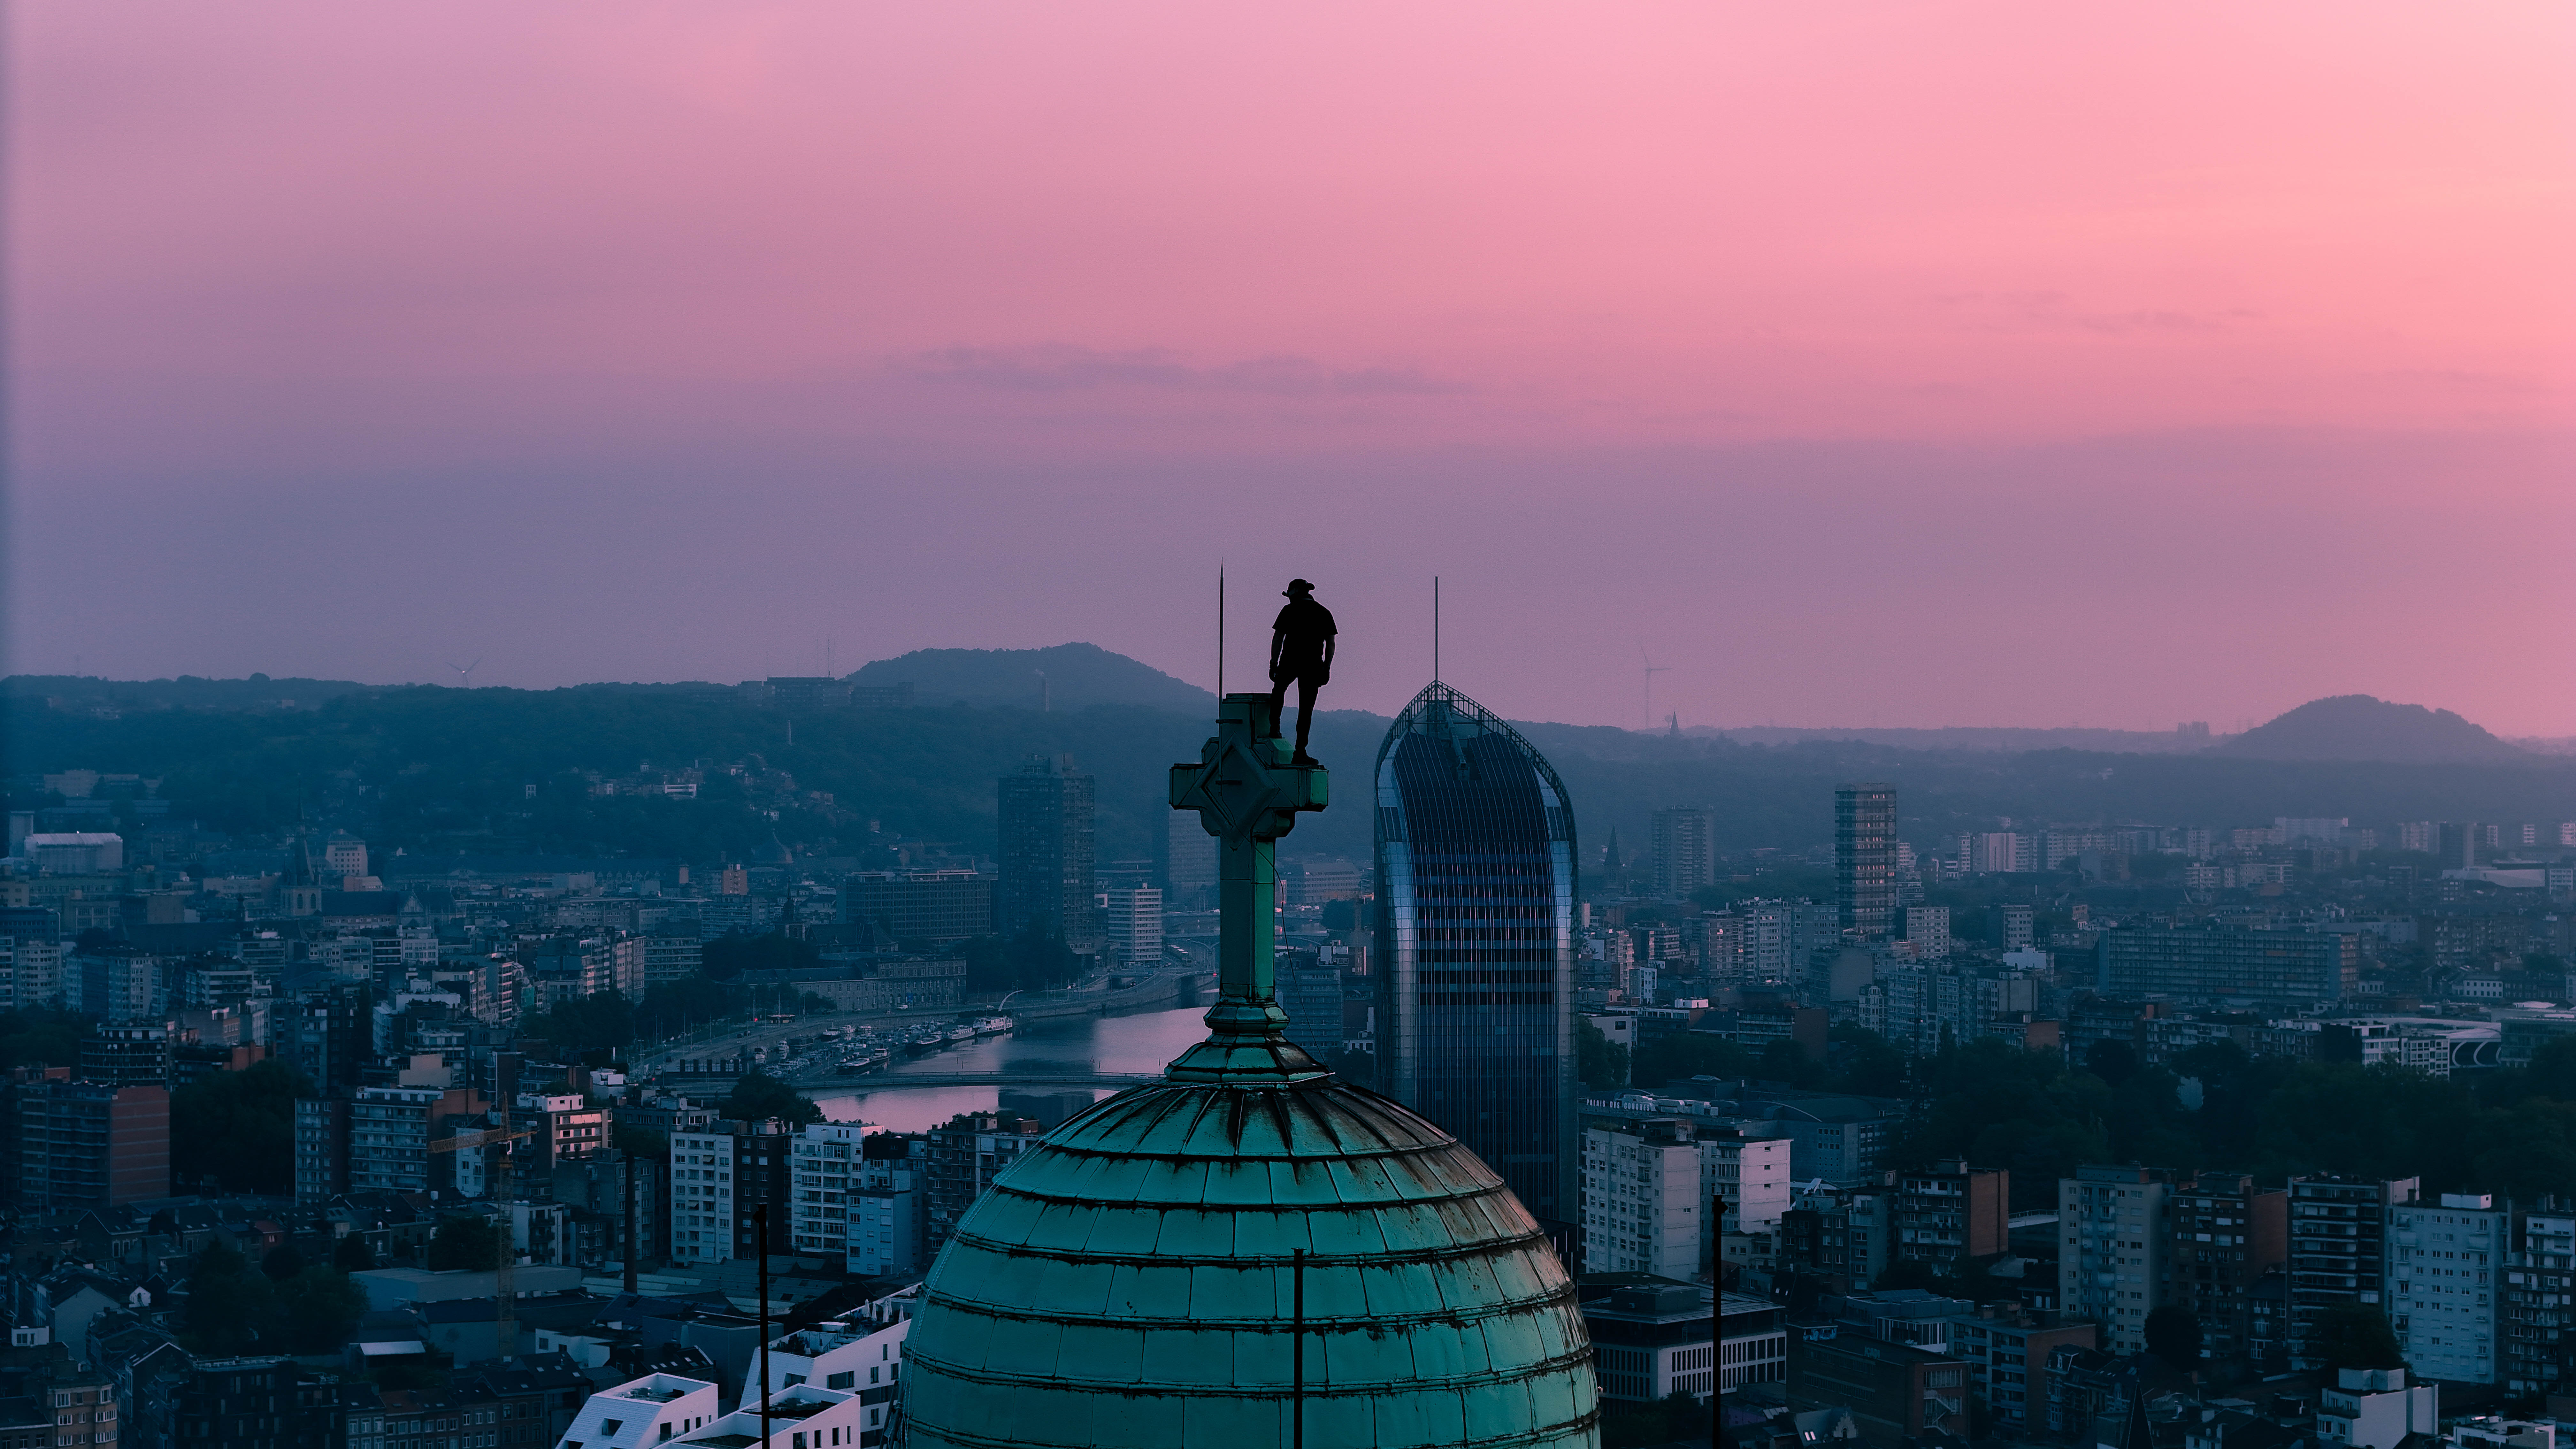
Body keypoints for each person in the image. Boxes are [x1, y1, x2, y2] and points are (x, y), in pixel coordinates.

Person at [1268, 578, 1336, 763]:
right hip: (1313, 665)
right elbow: (1331, 644)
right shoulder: (1324, 612)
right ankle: (1300, 752)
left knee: (1279, 690)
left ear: (1294, 594)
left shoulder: (1289, 610)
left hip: (1289, 660)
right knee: (1306, 710)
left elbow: (1278, 638)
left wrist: (1274, 664)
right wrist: (1327, 668)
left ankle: (1274, 726)